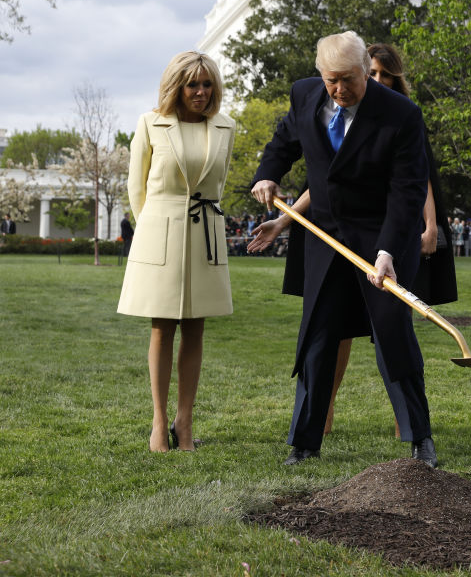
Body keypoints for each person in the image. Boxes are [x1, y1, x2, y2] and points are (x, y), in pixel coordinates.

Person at [250, 31, 439, 468]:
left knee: (393, 334)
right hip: (325, 237)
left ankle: (419, 438)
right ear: (321, 74)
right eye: (330, 80)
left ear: (364, 71)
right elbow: (284, 141)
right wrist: (268, 173)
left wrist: (388, 251)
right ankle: (304, 443)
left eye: (348, 79)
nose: (339, 89)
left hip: (381, 237)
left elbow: (407, 192)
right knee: (317, 336)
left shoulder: (401, 115)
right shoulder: (305, 95)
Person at [117, 51, 235, 453]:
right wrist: (154, 229)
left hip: (206, 233)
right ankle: (158, 421)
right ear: (176, 87)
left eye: (207, 84)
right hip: (160, 233)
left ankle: (184, 422)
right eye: (192, 85)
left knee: (196, 327)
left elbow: (218, 184)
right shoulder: (150, 123)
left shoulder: (226, 127)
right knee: (162, 326)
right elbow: (136, 188)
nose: (201, 92)